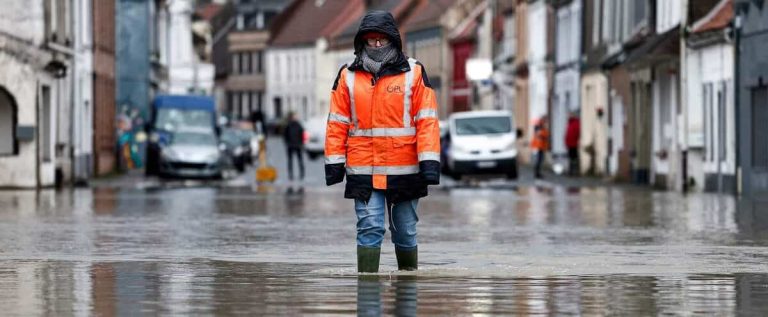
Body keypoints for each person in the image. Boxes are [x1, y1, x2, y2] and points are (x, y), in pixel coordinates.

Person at [324, 11, 441, 273]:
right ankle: (368, 299)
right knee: (369, 227)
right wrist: (334, 164)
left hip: (405, 170)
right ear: (362, 42)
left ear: (393, 40)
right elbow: (337, 124)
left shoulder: (414, 72)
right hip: (364, 170)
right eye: (371, 40)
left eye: (382, 40)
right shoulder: (347, 76)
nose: (377, 45)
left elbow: (427, 121)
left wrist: (430, 163)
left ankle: (406, 294)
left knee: (405, 231)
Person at [283, 112, 305, 181]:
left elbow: (302, 135)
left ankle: (302, 174)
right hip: (290, 145)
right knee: (290, 161)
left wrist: (302, 143)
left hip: (298, 145)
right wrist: (287, 143)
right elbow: (285, 135)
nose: (295, 118)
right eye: (294, 117)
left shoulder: (299, 125)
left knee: (300, 160)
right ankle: (290, 174)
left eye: (296, 117)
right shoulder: (288, 125)